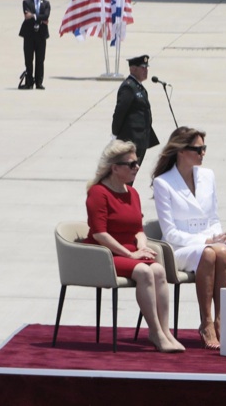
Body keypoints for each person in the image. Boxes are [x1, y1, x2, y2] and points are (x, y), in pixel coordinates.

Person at [85, 139, 184, 353]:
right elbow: (100, 233)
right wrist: (130, 254)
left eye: (136, 163)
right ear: (115, 167)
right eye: (131, 164)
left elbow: (138, 228)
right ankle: (155, 332)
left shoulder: (133, 193)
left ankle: (165, 331)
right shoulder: (98, 193)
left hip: (130, 251)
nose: (137, 167)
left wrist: (142, 244)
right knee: (143, 271)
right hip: (106, 254)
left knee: (158, 269)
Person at [151, 126, 226, 350]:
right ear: (181, 151)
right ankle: (206, 322)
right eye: (198, 149)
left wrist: (218, 237)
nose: (202, 153)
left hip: (208, 243)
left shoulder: (208, 175)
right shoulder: (163, 183)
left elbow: (213, 217)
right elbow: (170, 233)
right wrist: (205, 242)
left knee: (222, 252)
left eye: (204, 148)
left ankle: (221, 320)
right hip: (179, 249)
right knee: (208, 252)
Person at [112, 54, 160, 164]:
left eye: (146, 68)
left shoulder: (138, 87)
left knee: (132, 173)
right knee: (128, 173)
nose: (146, 70)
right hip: (131, 140)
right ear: (133, 69)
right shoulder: (128, 87)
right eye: (143, 68)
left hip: (141, 140)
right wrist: (115, 134)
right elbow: (120, 112)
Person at [19, 0, 50, 90]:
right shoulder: (26, 2)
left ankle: (39, 82)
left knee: (40, 59)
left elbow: (46, 15)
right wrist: (40, 18)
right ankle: (29, 82)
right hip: (29, 35)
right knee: (28, 59)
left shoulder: (46, 3)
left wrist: (34, 16)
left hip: (41, 35)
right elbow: (27, 15)